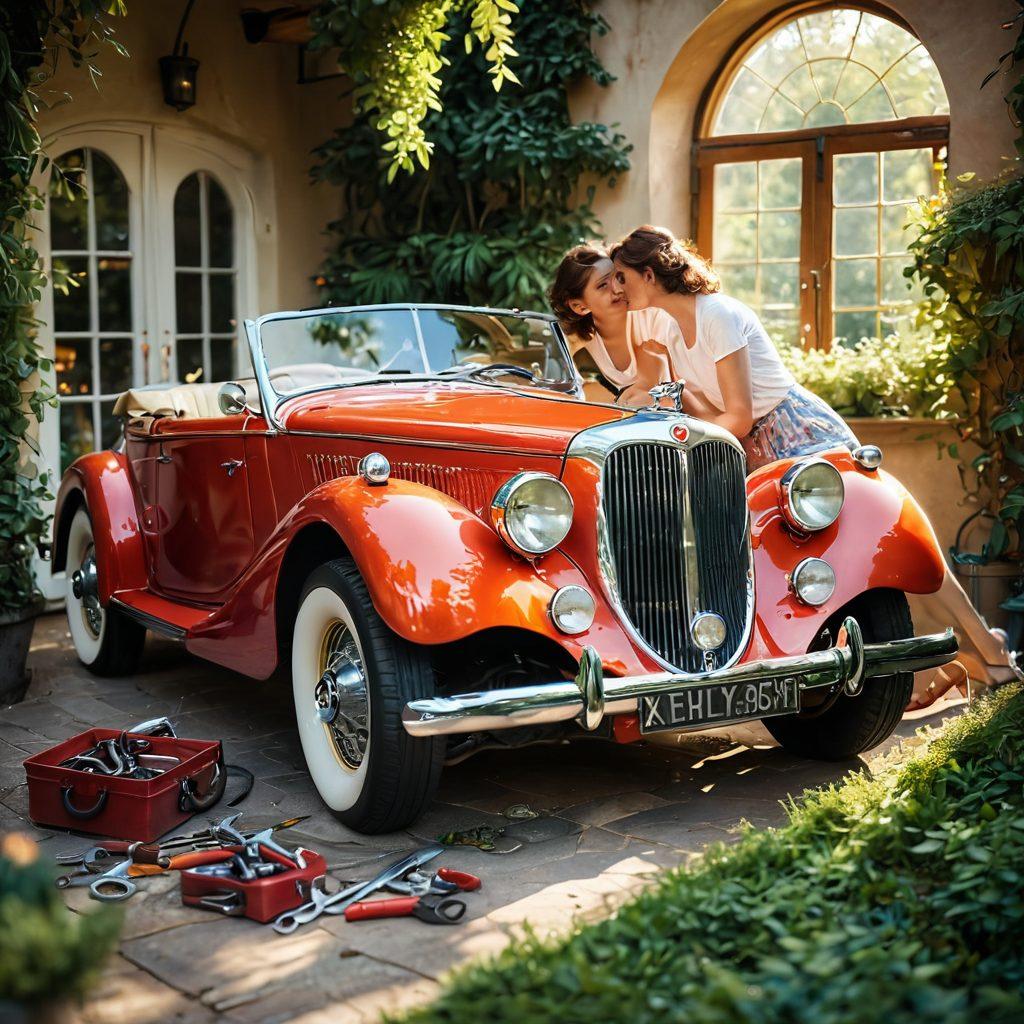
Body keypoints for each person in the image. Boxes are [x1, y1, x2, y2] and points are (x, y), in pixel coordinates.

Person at [547, 242, 679, 401]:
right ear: (579, 306)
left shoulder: (652, 317)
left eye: (618, 277)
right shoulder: (581, 342)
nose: (617, 288)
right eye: (603, 285)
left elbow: (681, 387)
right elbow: (571, 395)